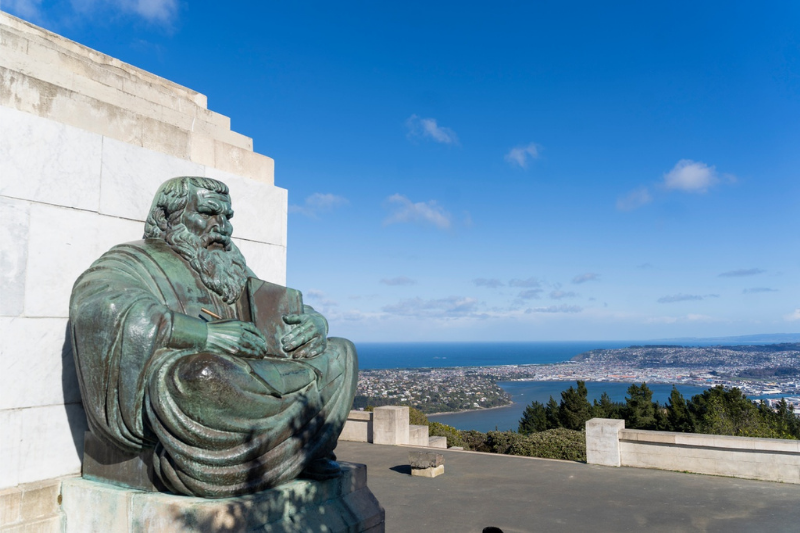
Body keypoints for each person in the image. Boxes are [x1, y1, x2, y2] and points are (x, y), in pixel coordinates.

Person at [69, 176, 357, 498]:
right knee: (200, 377)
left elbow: (273, 303)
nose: (222, 227)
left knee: (341, 353)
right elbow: (101, 307)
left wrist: (314, 322)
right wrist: (205, 335)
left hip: (251, 370)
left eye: (227, 217)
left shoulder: (229, 265)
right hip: (207, 374)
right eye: (207, 214)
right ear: (167, 217)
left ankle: (308, 448)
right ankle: (222, 467)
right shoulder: (132, 260)